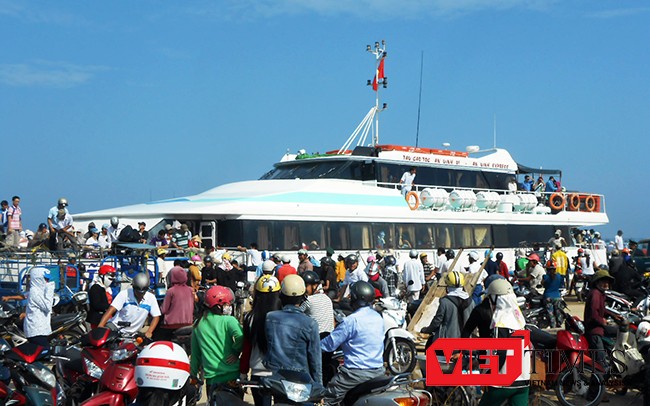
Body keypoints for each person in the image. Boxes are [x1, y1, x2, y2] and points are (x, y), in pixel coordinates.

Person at [321, 281, 384, 405]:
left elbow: (329, 344)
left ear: (355, 299)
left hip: (355, 374)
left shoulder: (351, 321)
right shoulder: (378, 317)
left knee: (329, 397)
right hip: (378, 371)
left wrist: (312, 346)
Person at [472, 279, 530, 406]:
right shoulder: (520, 320)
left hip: (502, 382)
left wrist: (488, 376)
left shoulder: (501, 321)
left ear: (496, 298)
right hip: (523, 380)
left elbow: (500, 353)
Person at [264, 275, 322, 387]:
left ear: (281, 295)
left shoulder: (270, 318)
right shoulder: (310, 323)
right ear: (303, 297)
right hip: (301, 378)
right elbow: (315, 360)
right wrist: (318, 385)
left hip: (276, 376)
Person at [190, 285, 243, 402]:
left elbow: (195, 355)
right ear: (219, 305)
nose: (229, 307)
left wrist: (193, 376)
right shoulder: (229, 320)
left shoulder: (198, 324)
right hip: (232, 376)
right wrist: (235, 351)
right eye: (227, 304)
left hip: (212, 380)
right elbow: (241, 337)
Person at [240, 275, 282, 406]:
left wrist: (243, 373)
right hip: (281, 374)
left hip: (258, 374)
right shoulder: (283, 318)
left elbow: (247, 349)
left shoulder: (249, 318)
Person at [584, 270, 617, 399]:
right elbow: (594, 314)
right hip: (595, 332)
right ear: (597, 282)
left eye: (607, 281)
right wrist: (602, 321)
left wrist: (615, 316)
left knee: (603, 361)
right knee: (600, 364)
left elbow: (602, 310)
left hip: (598, 331)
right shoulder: (596, 294)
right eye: (603, 281)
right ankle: (594, 394)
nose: (606, 283)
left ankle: (596, 392)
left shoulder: (600, 294)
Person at [97, 272, 161, 338]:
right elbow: (111, 309)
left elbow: (156, 316)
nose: (140, 295)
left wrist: (149, 331)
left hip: (133, 333)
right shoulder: (124, 294)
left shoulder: (151, 298)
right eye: (137, 292)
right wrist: (101, 325)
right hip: (116, 327)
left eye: (143, 292)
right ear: (133, 287)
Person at [421, 271, 474, 345]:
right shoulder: (471, 301)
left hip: (448, 342)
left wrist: (427, 330)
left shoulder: (445, 302)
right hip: (466, 342)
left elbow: (437, 321)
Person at [156, 266, 195, 341]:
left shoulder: (171, 291)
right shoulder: (190, 290)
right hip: (188, 324)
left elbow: (163, 310)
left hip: (171, 326)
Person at [23, 267, 54, 349]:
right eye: (45, 279)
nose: (47, 281)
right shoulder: (34, 292)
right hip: (36, 331)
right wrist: (50, 289)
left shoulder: (40, 290)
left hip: (42, 330)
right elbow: (47, 307)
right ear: (38, 279)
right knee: (44, 353)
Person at [87, 265, 116, 329]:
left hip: (108, 319)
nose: (110, 282)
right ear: (102, 276)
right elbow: (97, 305)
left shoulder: (108, 289)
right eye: (109, 279)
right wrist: (111, 307)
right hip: (98, 320)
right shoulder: (95, 288)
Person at [542, 260, 563, 328]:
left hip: (548, 296)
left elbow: (543, 284)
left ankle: (553, 326)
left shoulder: (545, 277)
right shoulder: (559, 276)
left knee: (550, 313)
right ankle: (559, 324)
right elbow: (561, 285)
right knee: (558, 312)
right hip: (557, 296)